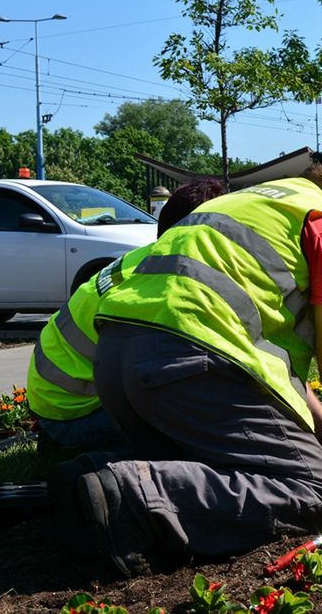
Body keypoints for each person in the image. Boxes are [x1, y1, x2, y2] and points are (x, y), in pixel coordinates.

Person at [53, 147, 322, 577]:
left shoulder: (238, 203)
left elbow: (265, 349)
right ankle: (134, 493)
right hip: (190, 365)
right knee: (319, 496)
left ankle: (90, 479)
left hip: (121, 364)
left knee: (215, 466)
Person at [29, 178, 226, 453]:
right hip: (75, 414)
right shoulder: (170, 279)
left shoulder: (146, 259)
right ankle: (93, 462)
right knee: (200, 430)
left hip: (58, 401)